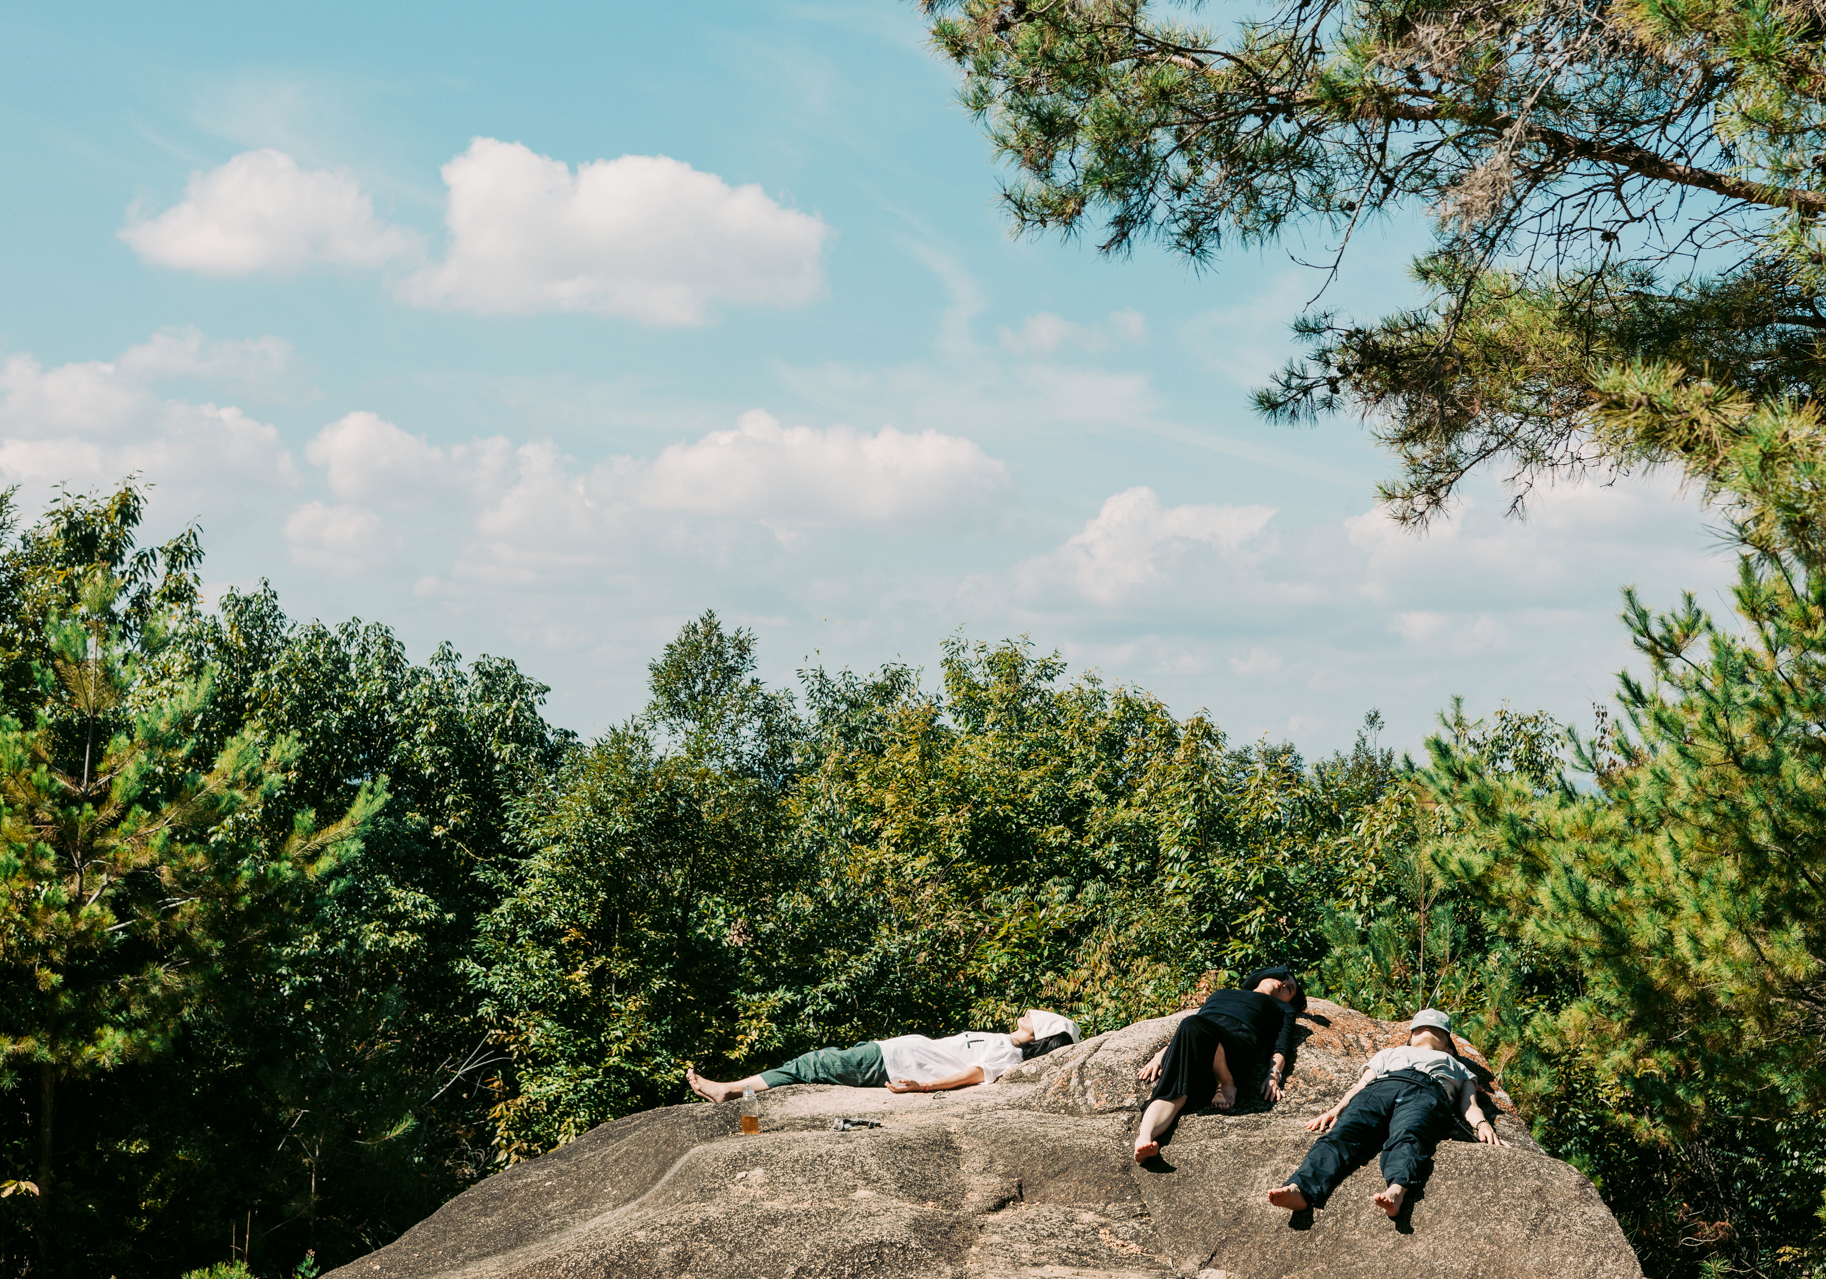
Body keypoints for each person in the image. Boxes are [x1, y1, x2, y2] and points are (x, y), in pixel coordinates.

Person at [1266, 1008, 1508, 1218]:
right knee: (1341, 1134)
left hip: (1426, 1090)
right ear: (1410, 1037)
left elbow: (1470, 1104)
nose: (1427, 1030)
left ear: (1449, 1047)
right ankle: (1299, 1188)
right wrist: (1336, 1109)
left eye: (1437, 1031)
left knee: (1410, 1135)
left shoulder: (1458, 1066)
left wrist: (1482, 1125)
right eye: (1420, 1028)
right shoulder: (1390, 1052)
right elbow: (1360, 1086)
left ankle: (1397, 1189)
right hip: (1381, 1087)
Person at [685, 1009, 1082, 1102]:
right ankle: (734, 1089)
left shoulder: (1009, 1057)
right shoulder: (1004, 1041)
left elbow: (972, 1076)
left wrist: (921, 1087)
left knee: (811, 1064)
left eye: (1039, 1017)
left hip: (891, 1064)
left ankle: (731, 1090)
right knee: (814, 1064)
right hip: (889, 1051)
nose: (1030, 1012)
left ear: (1042, 1036)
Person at [1133, 965, 1305, 1161]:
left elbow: (1282, 1044)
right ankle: (1144, 1139)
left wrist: (1274, 1076)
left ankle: (1226, 1082)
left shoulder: (1283, 1008)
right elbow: (1197, 1024)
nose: (1282, 983)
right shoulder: (1222, 993)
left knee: (1194, 1025)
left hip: (1237, 1049)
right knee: (1174, 1091)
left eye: (1289, 989)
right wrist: (1162, 1054)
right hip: (1203, 1040)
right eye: (1282, 978)